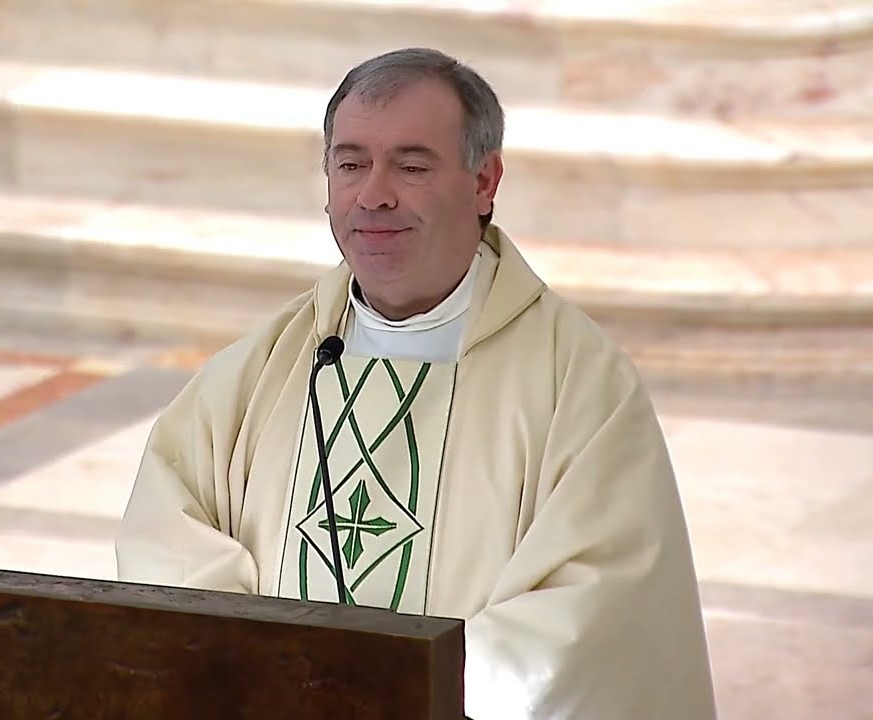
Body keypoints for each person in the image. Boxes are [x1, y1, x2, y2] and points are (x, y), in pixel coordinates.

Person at [114, 47, 718, 719]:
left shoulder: (579, 383)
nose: (374, 194)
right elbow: (167, 542)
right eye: (350, 164)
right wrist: (261, 669)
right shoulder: (263, 369)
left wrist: (396, 693)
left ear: (484, 181)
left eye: (411, 164)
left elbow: (597, 612)